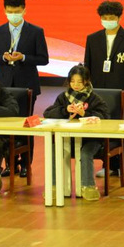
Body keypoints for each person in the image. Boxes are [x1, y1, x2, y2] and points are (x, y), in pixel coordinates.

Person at [0, 0, 49, 178]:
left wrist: (24, 57)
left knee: (26, 124)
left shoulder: (35, 31)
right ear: (5, 11)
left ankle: (25, 164)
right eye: (10, 11)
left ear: (24, 10)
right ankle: (10, 164)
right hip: (4, 86)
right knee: (6, 125)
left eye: (17, 11)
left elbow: (43, 59)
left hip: (27, 85)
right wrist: (3, 58)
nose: (13, 14)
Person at [84, 1, 124, 178]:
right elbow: (87, 67)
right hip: (99, 93)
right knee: (103, 127)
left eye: (111, 18)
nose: (108, 21)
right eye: (105, 18)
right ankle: (108, 164)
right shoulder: (92, 39)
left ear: (119, 18)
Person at [43, 65, 110, 201]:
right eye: (73, 81)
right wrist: (65, 110)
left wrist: (85, 113)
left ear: (86, 81)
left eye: (79, 82)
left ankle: (88, 186)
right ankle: (54, 186)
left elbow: (105, 117)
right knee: (53, 150)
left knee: (85, 153)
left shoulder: (94, 98)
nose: (76, 85)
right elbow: (47, 113)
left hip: (90, 139)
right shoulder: (63, 97)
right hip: (68, 139)